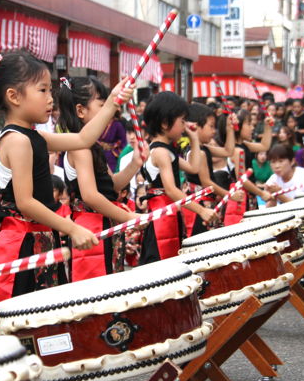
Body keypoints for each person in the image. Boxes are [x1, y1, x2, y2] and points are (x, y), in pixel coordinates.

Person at [0, 51, 132, 342]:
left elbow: (82, 139)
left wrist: (113, 100)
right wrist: (73, 228)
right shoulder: (16, 140)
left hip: (40, 240)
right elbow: (25, 202)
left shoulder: (34, 136)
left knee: (45, 325)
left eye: (50, 90)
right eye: (42, 90)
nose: (50, 98)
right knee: (15, 329)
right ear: (14, 96)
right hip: (21, 243)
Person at [57, 76, 146, 281]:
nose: (111, 111)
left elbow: (112, 185)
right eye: (102, 104)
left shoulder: (92, 147)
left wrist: (135, 163)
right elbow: (90, 195)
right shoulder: (79, 148)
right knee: (96, 293)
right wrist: (129, 218)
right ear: (80, 111)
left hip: (104, 222)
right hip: (91, 226)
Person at [140, 92, 218, 264]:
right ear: (165, 123)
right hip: (162, 213)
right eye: (182, 121)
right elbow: (171, 189)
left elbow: (193, 167)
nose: (185, 126)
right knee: (161, 263)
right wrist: (201, 210)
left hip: (170, 210)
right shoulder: (160, 152)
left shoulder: (167, 150)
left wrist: (194, 139)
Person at [183, 103, 240, 236]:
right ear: (196, 126)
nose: (214, 131)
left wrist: (229, 129)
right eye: (211, 126)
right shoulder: (199, 153)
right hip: (201, 205)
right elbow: (206, 182)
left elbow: (228, 151)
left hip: (206, 203)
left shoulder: (203, 149)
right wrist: (229, 194)